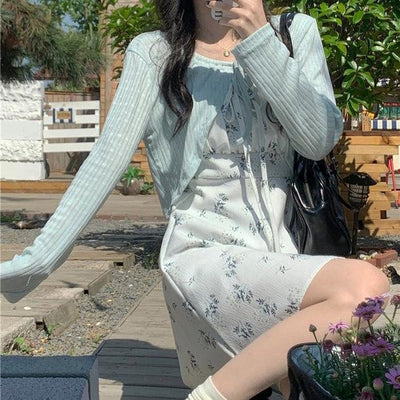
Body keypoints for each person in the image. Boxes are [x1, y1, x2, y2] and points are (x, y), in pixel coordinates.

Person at [1, 0, 390, 399]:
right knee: (366, 286)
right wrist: (36, 260)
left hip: (287, 254)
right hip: (203, 251)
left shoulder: (295, 34)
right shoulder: (155, 53)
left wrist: (259, 39)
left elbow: (317, 140)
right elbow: (105, 160)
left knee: (312, 372)